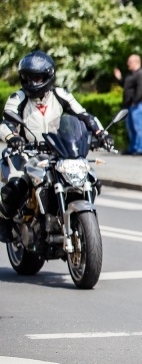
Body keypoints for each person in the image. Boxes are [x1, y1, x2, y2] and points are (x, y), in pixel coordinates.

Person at [0, 51, 113, 242]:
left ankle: (74, 220)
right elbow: (6, 123)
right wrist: (13, 138)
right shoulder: (18, 98)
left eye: (38, 77)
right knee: (17, 184)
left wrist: (101, 134)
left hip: (59, 150)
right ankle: (4, 220)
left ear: (48, 76)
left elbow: (84, 116)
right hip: (27, 151)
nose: (33, 82)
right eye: (29, 77)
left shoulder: (61, 95)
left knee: (89, 177)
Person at [114, 54, 142, 155]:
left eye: (130, 62)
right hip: (129, 105)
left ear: (137, 62)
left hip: (137, 104)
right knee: (130, 127)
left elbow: (141, 89)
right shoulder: (130, 75)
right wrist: (119, 79)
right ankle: (133, 147)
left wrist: (135, 101)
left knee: (138, 127)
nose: (128, 64)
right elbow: (126, 86)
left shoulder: (141, 74)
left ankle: (140, 148)